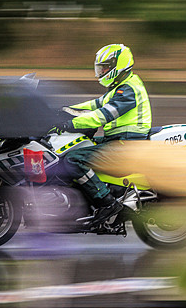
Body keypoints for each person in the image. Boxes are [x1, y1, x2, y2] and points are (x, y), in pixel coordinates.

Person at [59, 43, 152, 225]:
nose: (102, 72)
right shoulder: (120, 87)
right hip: (119, 141)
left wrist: (68, 123)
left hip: (127, 145)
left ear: (119, 66)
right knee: (80, 142)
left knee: (73, 159)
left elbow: (101, 116)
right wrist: (63, 110)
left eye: (106, 68)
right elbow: (93, 105)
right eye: (100, 68)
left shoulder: (128, 90)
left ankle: (106, 203)